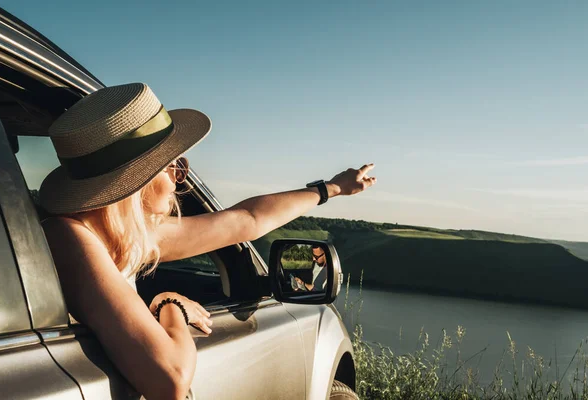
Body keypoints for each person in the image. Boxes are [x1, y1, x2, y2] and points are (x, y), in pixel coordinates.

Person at [40, 82, 377, 400]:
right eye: (171, 164)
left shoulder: (118, 233)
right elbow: (170, 378)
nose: (179, 175)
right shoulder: (69, 239)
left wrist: (330, 189)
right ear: (137, 177)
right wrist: (171, 305)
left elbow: (246, 220)